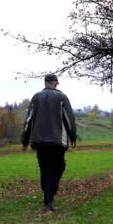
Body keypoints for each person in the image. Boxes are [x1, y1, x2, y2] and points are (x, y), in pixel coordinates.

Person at [21, 74, 77, 212]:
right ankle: (49, 198)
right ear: (55, 83)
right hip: (57, 142)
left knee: (44, 169)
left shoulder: (36, 97)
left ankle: (47, 196)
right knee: (58, 168)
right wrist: (73, 136)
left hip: (39, 142)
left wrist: (25, 140)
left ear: (45, 83)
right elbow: (69, 119)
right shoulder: (62, 97)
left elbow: (28, 121)